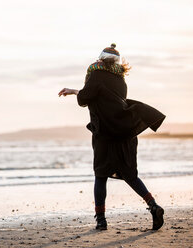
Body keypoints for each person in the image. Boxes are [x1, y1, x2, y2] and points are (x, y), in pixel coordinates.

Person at [58, 44, 166, 231]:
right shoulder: (121, 80)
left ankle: (101, 220)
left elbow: (85, 98)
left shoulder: (96, 74)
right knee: (130, 175)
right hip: (125, 134)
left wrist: (73, 91)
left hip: (105, 135)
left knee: (101, 175)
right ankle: (154, 205)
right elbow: (104, 97)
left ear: (101, 59)